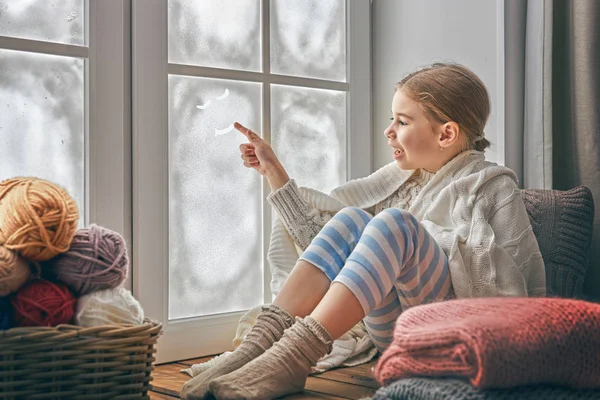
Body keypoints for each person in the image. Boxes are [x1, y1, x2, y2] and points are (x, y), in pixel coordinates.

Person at [181, 63, 546, 400]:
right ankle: (256, 348)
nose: (389, 131)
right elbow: (330, 258)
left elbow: (512, 295)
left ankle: (295, 356)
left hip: (451, 339)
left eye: (402, 122)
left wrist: (430, 239)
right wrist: (274, 171)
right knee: (353, 219)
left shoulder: (492, 187)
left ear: (446, 133)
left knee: (392, 223)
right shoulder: (400, 182)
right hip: (394, 332)